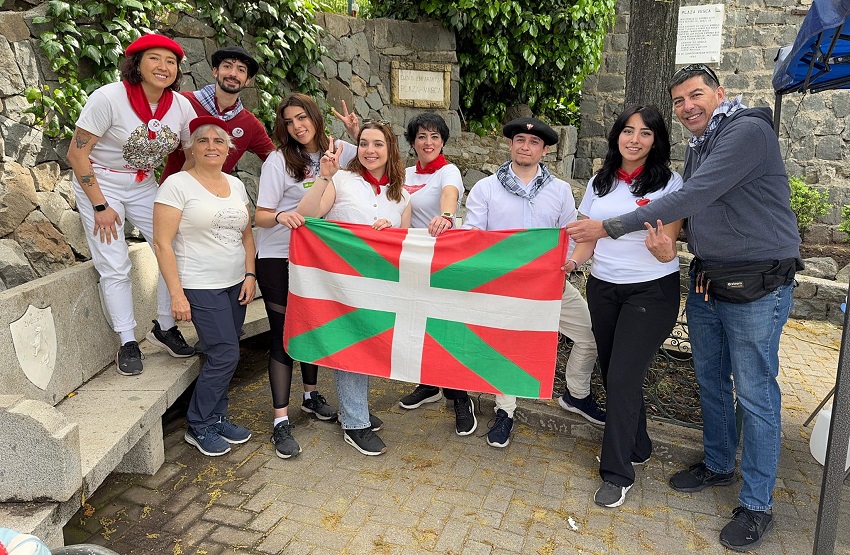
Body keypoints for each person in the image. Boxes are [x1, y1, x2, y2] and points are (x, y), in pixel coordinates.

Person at [567, 65, 800, 550]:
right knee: (710, 379)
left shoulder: (747, 131)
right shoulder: (702, 145)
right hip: (710, 279)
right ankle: (718, 465)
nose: (688, 106)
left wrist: (615, 230)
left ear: (720, 93)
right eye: (679, 101)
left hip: (758, 281)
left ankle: (757, 505)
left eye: (696, 95)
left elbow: (690, 198)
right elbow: (695, 217)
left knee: (756, 394)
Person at [567, 105, 683, 508]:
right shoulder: (600, 182)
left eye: (645, 133)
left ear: (656, 141)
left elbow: (668, 247)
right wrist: (569, 263)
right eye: (628, 130)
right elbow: (586, 237)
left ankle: (617, 473)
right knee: (615, 371)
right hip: (603, 289)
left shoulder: (669, 183)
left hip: (651, 293)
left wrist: (665, 250)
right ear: (617, 135)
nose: (635, 139)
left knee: (620, 379)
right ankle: (639, 443)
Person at [464, 117, 603, 449]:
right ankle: (505, 412)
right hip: (504, 286)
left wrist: (566, 265)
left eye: (533, 142)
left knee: (589, 335)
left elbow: (570, 235)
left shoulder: (558, 191)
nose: (525, 147)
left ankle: (576, 395)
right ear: (511, 145)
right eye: (520, 141)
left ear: (545, 150)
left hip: (549, 283)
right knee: (507, 348)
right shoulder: (487, 188)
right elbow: (473, 236)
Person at [66, 34, 196, 376]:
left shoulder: (180, 106)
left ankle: (165, 327)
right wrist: (100, 206)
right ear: (136, 64)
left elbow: (191, 150)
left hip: (144, 182)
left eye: (171, 62)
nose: (163, 67)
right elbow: (77, 154)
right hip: (100, 181)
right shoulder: (109, 97)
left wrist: (178, 190)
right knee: (115, 262)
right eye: (154, 59)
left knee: (175, 246)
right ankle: (127, 340)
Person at [296, 120, 412, 456]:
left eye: (378, 144)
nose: (370, 150)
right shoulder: (342, 180)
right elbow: (307, 216)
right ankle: (354, 423)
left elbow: (405, 247)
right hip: (339, 281)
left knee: (366, 347)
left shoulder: (402, 196)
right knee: (349, 347)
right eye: (363, 143)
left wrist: (390, 231)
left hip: (377, 284)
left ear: (390, 150)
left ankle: (353, 408)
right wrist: (324, 176)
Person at [254, 93, 360, 459]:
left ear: (315, 117)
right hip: (278, 257)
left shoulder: (339, 150)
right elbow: (261, 215)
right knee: (285, 337)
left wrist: (357, 133)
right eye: (289, 121)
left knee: (314, 328)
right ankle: (280, 422)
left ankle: (311, 396)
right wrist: (281, 216)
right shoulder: (277, 161)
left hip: (318, 258)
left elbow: (374, 164)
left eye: (302, 118)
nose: (297, 126)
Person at [153, 116, 257, 457]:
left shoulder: (236, 185)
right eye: (203, 141)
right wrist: (177, 294)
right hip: (200, 285)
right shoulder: (176, 185)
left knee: (224, 352)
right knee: (225, 353)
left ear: (229, 148)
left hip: (234, 284)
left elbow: (246, 235)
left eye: (218, 141)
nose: (211, 146)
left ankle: (216, 416)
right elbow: (163, 243)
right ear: (191, 148)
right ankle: (198, 425)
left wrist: (250, 275)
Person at [394, 113, 476, 436]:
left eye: (434, 137)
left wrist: (446, 216)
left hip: (441, 259)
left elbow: (449, 198)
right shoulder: (405, 173)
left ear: (442, 141)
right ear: (413, 142)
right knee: (417, 323)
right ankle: (428, 384)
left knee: (444, 329)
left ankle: (459, 397)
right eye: (421, 137)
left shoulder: (448, 171)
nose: (428, 143)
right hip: (412, 260)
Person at [159, 46, 276, 183]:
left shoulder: (249, 123)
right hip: (170, 194)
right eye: (227, 66)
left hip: (213, 198)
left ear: (247, 80)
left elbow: (275, 158)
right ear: (215, 71)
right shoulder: (185, 102)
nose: (233, 74)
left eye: (241, 70)